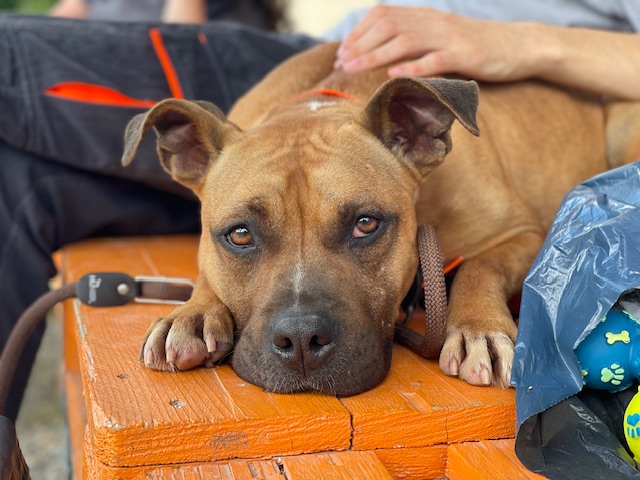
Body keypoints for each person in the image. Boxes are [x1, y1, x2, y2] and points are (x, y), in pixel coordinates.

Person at [1, 1, 639, 422]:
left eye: (363, 226)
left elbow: (516, 230)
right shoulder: (237, 146)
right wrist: (207, 297)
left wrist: (477, 291)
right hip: (326, 54)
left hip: (508, 86)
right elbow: (225, 218)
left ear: (419, 141)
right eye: (243, 234)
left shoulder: (416, 147)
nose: (299, 331)